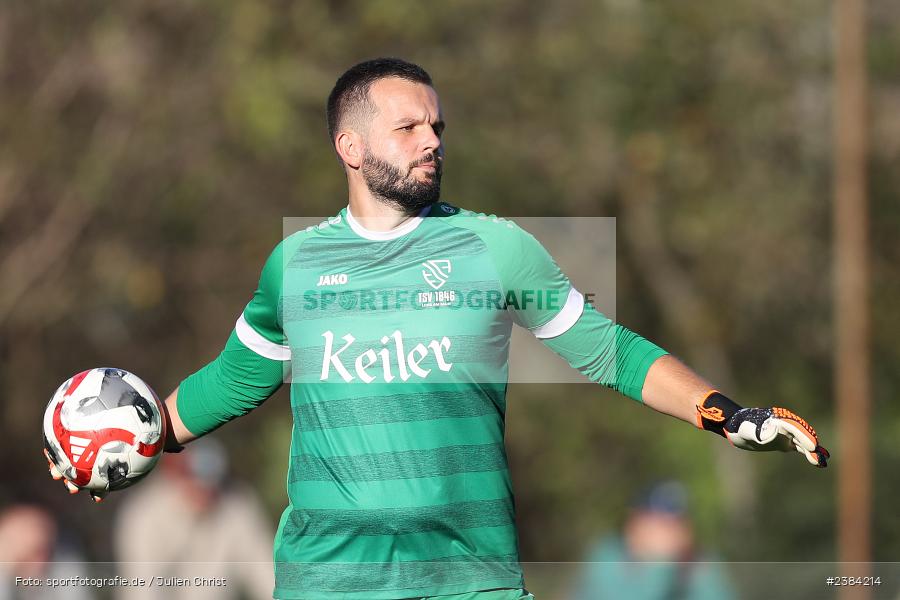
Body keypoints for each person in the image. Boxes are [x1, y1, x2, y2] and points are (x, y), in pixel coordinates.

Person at [46, 58, 829, 600]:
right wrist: (128, 446)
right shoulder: (295, 266)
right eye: (408, 127)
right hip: (329, 579)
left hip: (469, 575)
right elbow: (232, 383)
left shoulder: (499, 248)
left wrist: (728, 414)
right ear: (349, 147)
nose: (432, 141)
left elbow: (612, 353)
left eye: (438, 126)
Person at [113, 438, 274, 600]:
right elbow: (142, 587)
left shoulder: (237, 506)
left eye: (212, 480)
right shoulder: (144, 513)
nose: (203, 490)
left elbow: (266, 572)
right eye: (193, 477)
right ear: (174, 474)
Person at [570, 481, 735, 600]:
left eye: (674, 525)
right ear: (634, 524)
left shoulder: (699, 564)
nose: (666, 535)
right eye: (658, 523)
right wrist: (662, 563)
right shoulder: (607, 555)